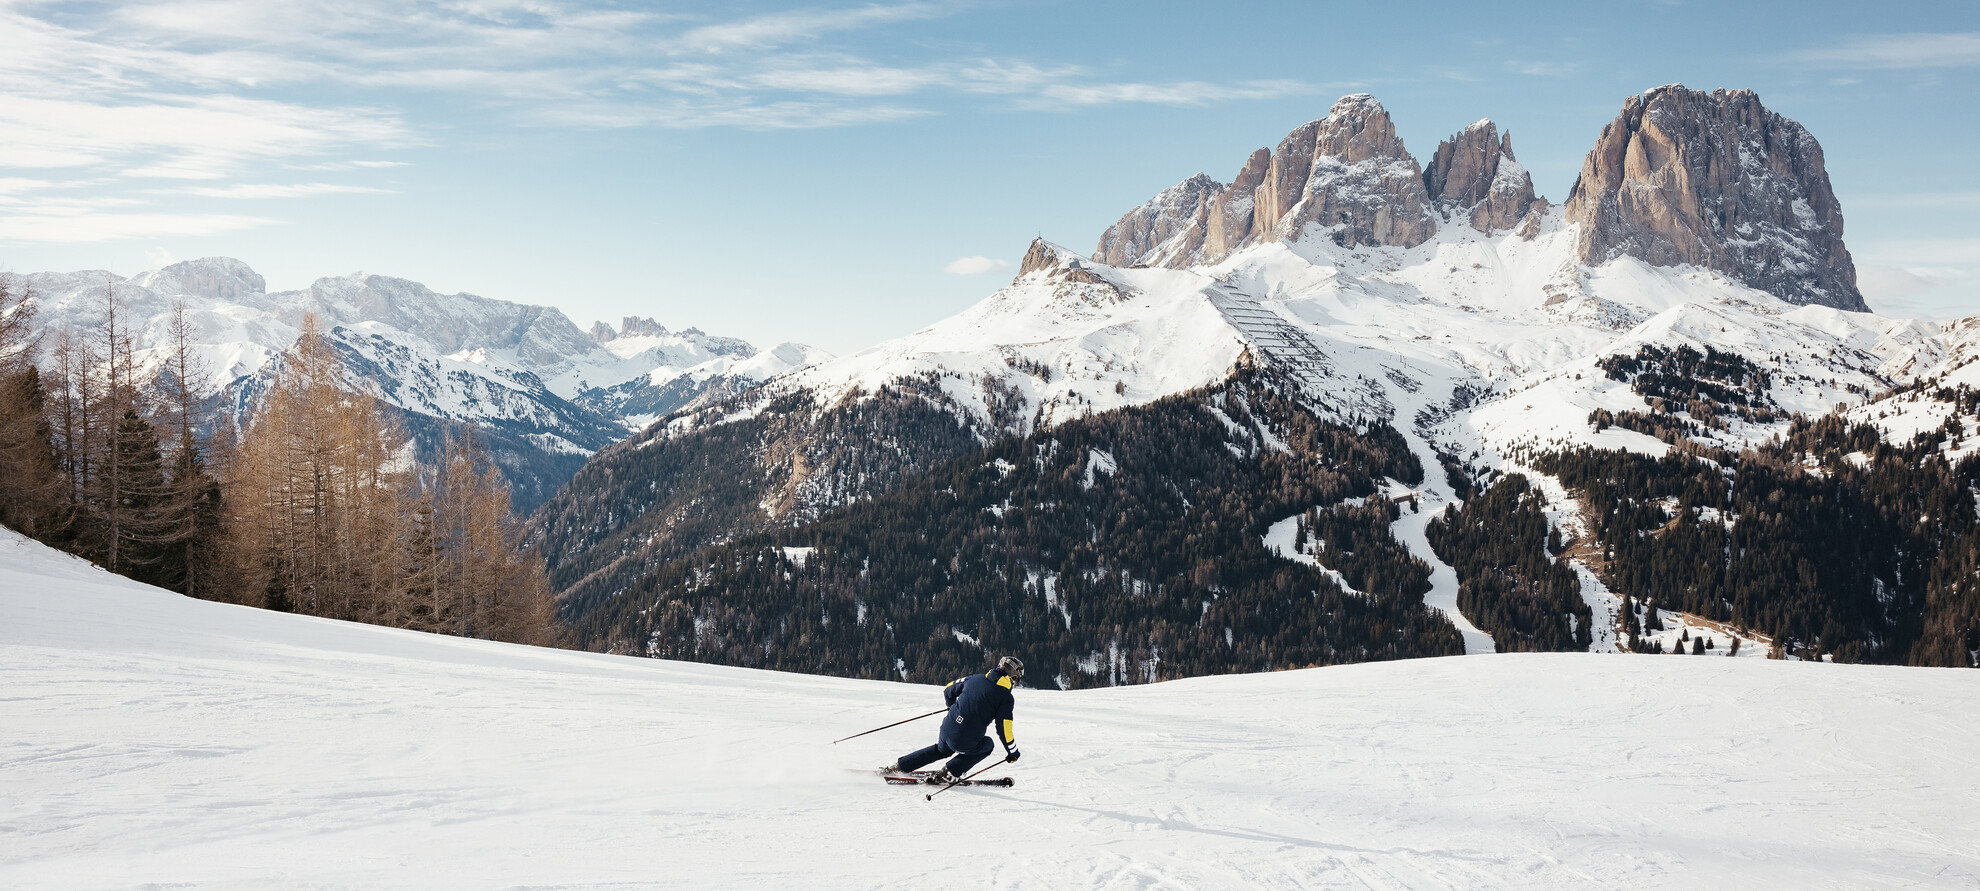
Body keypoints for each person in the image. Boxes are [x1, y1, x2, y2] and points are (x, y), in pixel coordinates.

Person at [885, 656, 1024, 784]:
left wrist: (952, 707)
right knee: (987, 744)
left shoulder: (974, 679)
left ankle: (900, 766)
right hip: (965, 739)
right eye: (1016, 679)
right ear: (1012, 676)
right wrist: (1013, 753)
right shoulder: (1006, 697)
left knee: (941, 750)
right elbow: (1003, 729)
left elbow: (948, 689)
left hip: (947, 729)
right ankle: (950, 772)